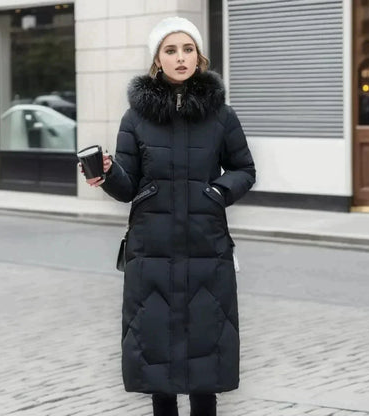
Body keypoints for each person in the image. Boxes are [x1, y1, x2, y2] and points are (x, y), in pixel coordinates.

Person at [79, 16, 256, 416]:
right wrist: (107, 174)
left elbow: (244, 169)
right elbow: (128, 187)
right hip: (151, 249)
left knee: (206, 355)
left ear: (199, 56)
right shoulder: (135, 118)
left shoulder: (222, 116)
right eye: (171, 50)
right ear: (157, 59)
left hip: (206, 245)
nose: (180, 57)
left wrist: (216, 193)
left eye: (187, 49)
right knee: (157, 357)